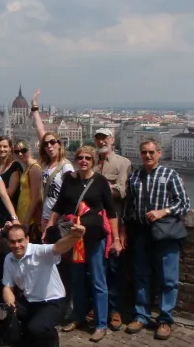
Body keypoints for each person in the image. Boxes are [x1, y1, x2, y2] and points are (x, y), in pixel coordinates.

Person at [48, 146, 120, 343]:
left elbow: (111, 212)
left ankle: (101, 324)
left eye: (88, 158)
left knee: (98, 281)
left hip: (95, 239)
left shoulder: (100, 182)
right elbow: (59, 205)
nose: (83, 160)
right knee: (77, 280)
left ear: (94, 161)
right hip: (73, 239)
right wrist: (50, 225)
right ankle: (79, 317)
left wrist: (116, 238)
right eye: (80, 157)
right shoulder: (69, 180)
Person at [122, 138, 190, 341]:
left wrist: (164, 211)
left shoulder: (170, 175)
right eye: (144, 152)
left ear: (159, 153)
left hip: (165, 232)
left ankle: (165, 319)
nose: (148, 156)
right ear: (140, 154)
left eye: (152, 152)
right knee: (141, 275)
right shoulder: (134, 177)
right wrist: (125, 228)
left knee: (168, 279)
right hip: (141, 232)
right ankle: (141, 315)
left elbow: (184, 203)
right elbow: (129, 207)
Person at [2, 222, 86, 347]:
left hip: (53, 301)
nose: (16, 245)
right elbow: (7, 287)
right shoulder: (9, 258)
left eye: (20, 241)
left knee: (36, 328)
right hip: (29, 301)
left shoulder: (39, 251)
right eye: (12, 242)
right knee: (1, 313)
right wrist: (10, 305)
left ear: (27, 239)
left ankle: (52, 340)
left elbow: (58, 247)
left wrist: (75, 236)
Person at [93, 128, 132, 330]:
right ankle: (96, 306)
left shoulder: (122, 163)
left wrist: (101, 187)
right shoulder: (89, 161)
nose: (101, 141)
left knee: (114, 269)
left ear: (112, 139)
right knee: (94, 268)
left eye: (104, 137)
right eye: (98, 137)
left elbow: (123, 191)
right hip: (92, 225)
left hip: (113, 223)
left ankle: (115, 309)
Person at [31, 90, 74, 232]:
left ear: (59, 144)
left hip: (59, 219)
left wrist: (53, 220)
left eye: (53, 142)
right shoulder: (46, 164)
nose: (49, 145)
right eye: (46, 144)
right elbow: (40, 131)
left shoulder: (66, 166)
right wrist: (35, 108)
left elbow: (71, 193)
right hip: (45, 217)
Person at [13, 140, 43, 240]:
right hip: (23, 213)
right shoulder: (26, 167)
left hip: (30, 218)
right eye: (17, 152)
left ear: (29, 150)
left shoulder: (34, 168)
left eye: (23, 150)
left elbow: (36, 197)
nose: (20, 154)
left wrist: (27, 220)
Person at [0, 135, 22, 228]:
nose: (2, 149)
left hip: (9, 212)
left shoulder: (15, 166)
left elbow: (10, 192)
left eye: (5, 147)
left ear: (10, 149)